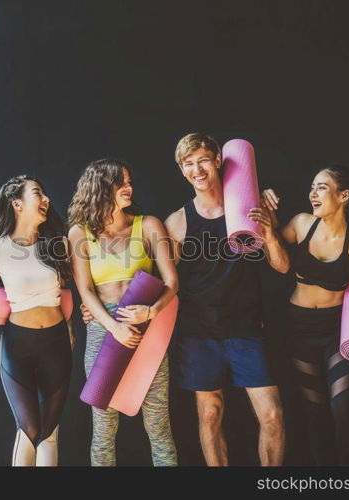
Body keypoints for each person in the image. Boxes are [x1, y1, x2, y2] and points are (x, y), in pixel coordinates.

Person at [82, 134, 288, 466]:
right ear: (182, 170)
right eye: (188, 163)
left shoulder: (251, 209)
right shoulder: (175, 223)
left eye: (203, 160)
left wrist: (268, 231)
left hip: (247, 328)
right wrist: (100, 305)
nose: (197, 169)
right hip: (198, 332)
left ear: (218, 160)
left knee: (273, 414)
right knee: (209, 415)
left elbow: (281, 266)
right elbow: (154, 276)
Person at [262, 165, 349, 465]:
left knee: (343, 409)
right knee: (313, 410)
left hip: (337, 331)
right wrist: (267, 213)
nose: (312, 193)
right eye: (312, 187)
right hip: (298, 327)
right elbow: (274, 252)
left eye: (321, 187)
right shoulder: (302, 224)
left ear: (343, 196)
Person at [0, 175, 74, 466]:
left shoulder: (58, 244)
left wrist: (71, 331)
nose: (46, 199)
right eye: (38, 194)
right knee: (30, 428)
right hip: (18, 345)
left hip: (56, 344)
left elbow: (70, 292)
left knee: (48, 431)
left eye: (45, 194)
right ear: (17, 203)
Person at [68, 158, 178, 466]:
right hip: (103, 330)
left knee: (158, 425)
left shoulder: (148, 224)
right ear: (102, 187)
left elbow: (171, 282)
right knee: (104, 428)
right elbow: (85, 291)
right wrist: (113, 327)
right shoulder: (79, 233)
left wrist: (151, 312)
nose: (129, 188)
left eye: (129, 181)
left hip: (147, 327)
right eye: (121, 182)